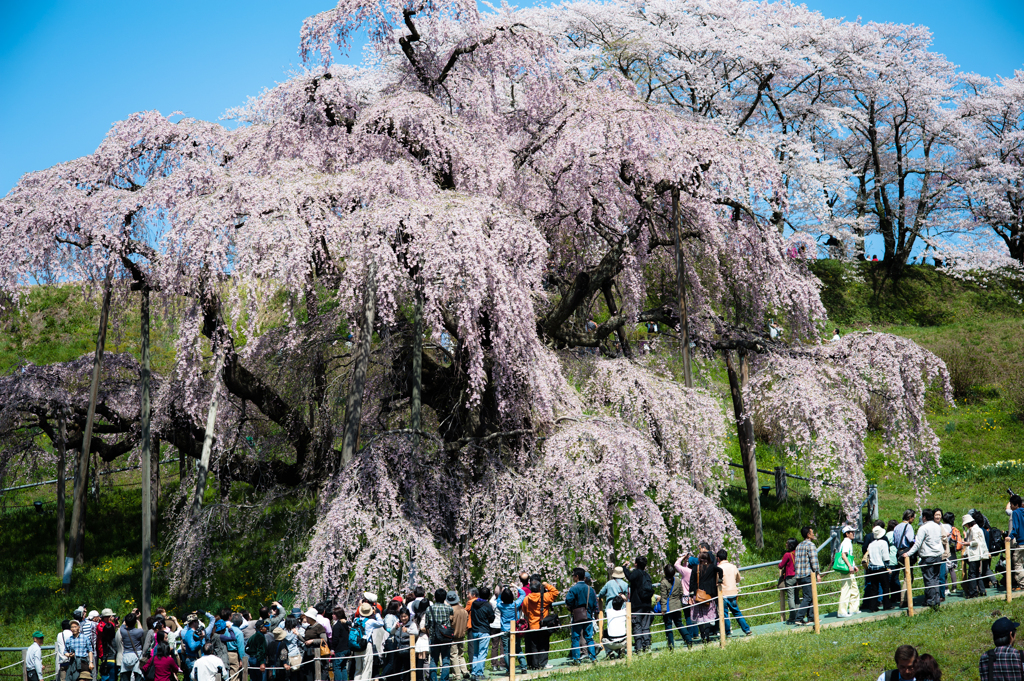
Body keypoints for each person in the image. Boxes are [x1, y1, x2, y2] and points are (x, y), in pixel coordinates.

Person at [906, 508, 944, 608]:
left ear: (924, 517)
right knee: (936, 578)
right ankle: (936, 600)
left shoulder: (923, 528)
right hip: (938, 555)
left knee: (929, 579)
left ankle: (930, 601)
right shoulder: (937, 526)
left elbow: (917, 543)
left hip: (928, 556)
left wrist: (908, 553)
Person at [521, 577, 558, 670]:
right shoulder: (545, 597)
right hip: (543, 625)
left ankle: (534, 665)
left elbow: (525, 611)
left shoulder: (526, 599)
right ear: (539, 588)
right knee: (543, 645)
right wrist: (546, 585)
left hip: (532, 625)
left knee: (533, 646)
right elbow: (555, 592)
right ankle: (543, 663)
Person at [564, 567, 598, 664]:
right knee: (589, 637)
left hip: (577, 616)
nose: (573, 577)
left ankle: (576, 659)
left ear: (577, 576)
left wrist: (572, 606)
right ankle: (593, 657)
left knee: (576, 637)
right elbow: (594, 603)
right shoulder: (590, 589)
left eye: (573, 575)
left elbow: (568, 600)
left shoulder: (574, 589)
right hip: (588, 615)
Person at [688, 550, 722, 642]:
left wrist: (691, 594)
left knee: (699, 616)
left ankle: (702, 634)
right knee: (709, 615)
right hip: (708, 595)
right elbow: (720, 570)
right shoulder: (711, 567)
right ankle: (707, 635)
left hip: (698, 595)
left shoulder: (695, 568)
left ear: (699, 559)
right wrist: (720, 580)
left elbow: (692, 582)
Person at [716, 549, 752, 636]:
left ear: (718, 558)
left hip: (723, 593)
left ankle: (728, 633)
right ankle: (747, 630)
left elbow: (717, 581)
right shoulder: (733, 566)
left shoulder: (718, 568)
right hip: (733, 593)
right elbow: (738, 579)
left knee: (725, 615)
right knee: (737, 612)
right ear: (726, 557)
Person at [623, 556, 655, 652]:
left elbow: (630, 577)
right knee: (645, 626)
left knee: (637, 625)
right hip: (647, 604)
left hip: (637, 604)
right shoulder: (647, 575)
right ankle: (647, 645)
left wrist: (624, 568)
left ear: (636, 564)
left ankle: (639, 647)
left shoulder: (636, 573)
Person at [659, 563, 691, 649]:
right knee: (679, 624)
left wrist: (663, 609)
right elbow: (681, 592)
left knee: (668, 626)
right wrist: (677, 600)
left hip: (668, 608)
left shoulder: (663, 582)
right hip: (677, 606)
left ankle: (671, 646)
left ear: (665, 572)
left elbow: (664, 597)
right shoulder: (677, 580)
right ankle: (688, 639)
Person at [425, 589, 455, 681]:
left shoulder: (429, 609)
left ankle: (433, 679)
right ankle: (444, 679)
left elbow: (427, 625)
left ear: (435, 597)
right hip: (446, 637)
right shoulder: (448, 608)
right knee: (446, 659)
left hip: (434, 637)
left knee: (433, 659)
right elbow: (451, 615)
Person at [793, 526, 820, 626]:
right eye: (812, 532)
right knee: (808, 597)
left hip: (799, 575)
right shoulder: (810, 545)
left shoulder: (799, 546)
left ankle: (812, 618)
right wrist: (817, 573)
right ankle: (799, 618)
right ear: (808, 534)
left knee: (810, 596)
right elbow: (814, 561)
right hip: (808, 575)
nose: (813, 534)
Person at [468, 587, 494, 679]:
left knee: (475, 653)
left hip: (475, 630)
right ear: (488, 595)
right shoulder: (487, 605)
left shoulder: (474, 603)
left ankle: (474, 673)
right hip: (484, 631)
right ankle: (479, 673)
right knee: (482, 653)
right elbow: (491, 618)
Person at [893, 510, 918, 606]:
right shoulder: (909, 527)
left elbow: (895, 541)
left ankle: (904, 598)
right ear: (910, 517)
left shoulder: (897, 527)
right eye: (913, 518)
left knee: (904, 574)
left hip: (899, 552)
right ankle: (904, 599)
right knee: (908, 576)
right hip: (907, 552)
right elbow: (911, 539)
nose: (913, 520)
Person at [864, 525, 890, 613]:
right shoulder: (883, 543)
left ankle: (873, 607)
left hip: (872, 568)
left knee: (874, 588)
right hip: (881, 568)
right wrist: (888, 567)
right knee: (885, 587)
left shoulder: (871, 544)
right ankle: (887, 605)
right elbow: (885, 557)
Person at [837, 525, 861, 618]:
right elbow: (843, 555)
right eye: (851, 532)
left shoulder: (848, 542)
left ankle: (853, 609)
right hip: (847, 569)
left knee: (854, 588)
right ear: (847, 534)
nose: (853, 533)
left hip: (849, 568)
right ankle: (842, 612)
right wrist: (850, 566)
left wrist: (853, 565)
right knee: (846, 589)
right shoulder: (846, 542)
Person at [965, 513, 990, 598]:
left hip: (974, 554)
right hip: (979, 554)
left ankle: (973, 592)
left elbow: (975, 542)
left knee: (972, 573)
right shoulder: (978, 529)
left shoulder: (973, 530)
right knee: (977, 573)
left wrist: (967, 543)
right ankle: (982, 590)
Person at [778, 539, 798, 623]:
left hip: (789, 577)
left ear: (790, 545)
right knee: (796, 596)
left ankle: (792, 616)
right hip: (797, 576)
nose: (786, 544)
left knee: (791, 597)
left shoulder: (787, 554)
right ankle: (799, 615)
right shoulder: (797, 553)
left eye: (787, 543)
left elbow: (780, 566)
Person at [1007, 495, 1024, 591]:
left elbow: (1016, 528)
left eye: (1011, 504)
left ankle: (1023, 584)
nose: (1010, 507)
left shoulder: (1015, 513)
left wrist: (1010, 537)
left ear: (1015, 505)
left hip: (1021, 542)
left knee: (1017, 563)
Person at [329, 608, 349, 681]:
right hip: (346, 648)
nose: (332, 615)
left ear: (337, 615)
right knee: (343, 667)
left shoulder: (337, 626)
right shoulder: (345, 624)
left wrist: (332, 648)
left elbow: (335, 639)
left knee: (337, 667)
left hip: (339, 649)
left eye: (334, 614)